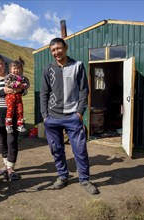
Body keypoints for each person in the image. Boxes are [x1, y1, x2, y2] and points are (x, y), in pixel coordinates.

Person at [40, 37, 99, 195]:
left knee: (80, 149)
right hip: (52, 118)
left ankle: (85, 179)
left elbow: (84, 91)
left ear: (65, 48)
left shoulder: (78, 66)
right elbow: (44, 94)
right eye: (53, 50)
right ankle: (62, 176)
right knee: (56, 149)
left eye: (59, 48)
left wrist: (80, 112)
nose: (56, 52)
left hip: (73, 116)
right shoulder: (48, 69)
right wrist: (45, 116)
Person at [0, 54, 26, 181]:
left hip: (12, 113)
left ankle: (10, 168)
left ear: (4, 64)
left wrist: (20, 90)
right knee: (2, 142)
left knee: (12, 141)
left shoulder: (11, 76)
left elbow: (24, 89)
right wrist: (3, 91)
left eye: (0, 64)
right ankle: (7, 165)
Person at [4, 58, 30, 133]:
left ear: (21, 69)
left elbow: (28, 84)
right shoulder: (9, 76)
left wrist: (24, 86)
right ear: (10, 69)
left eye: (18, 68)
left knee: (20, 110)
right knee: (10, 110)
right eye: (14, 68)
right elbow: (6, 83)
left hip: (18, 97)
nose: (16, 70)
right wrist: (14, 84)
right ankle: (8, 125)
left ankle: (20, 125)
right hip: (10, 97)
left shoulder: (23, 77)